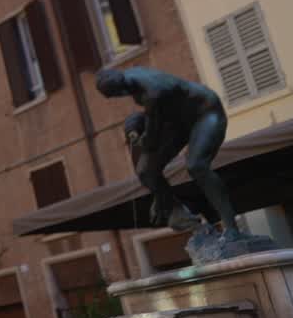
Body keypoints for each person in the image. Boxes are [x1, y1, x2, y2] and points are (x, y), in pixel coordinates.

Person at [97, 67, 236, 236]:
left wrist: (160, 199)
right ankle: (191, 224)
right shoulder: (131, 77)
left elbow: (152, 139)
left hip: (205, 112)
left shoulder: (153, 93)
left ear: (120, 91)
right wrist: (133, 130)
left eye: (116, 95)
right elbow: (149, 122)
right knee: (145, 171)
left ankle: (232, 229)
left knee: (196, 165)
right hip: (178, 122)